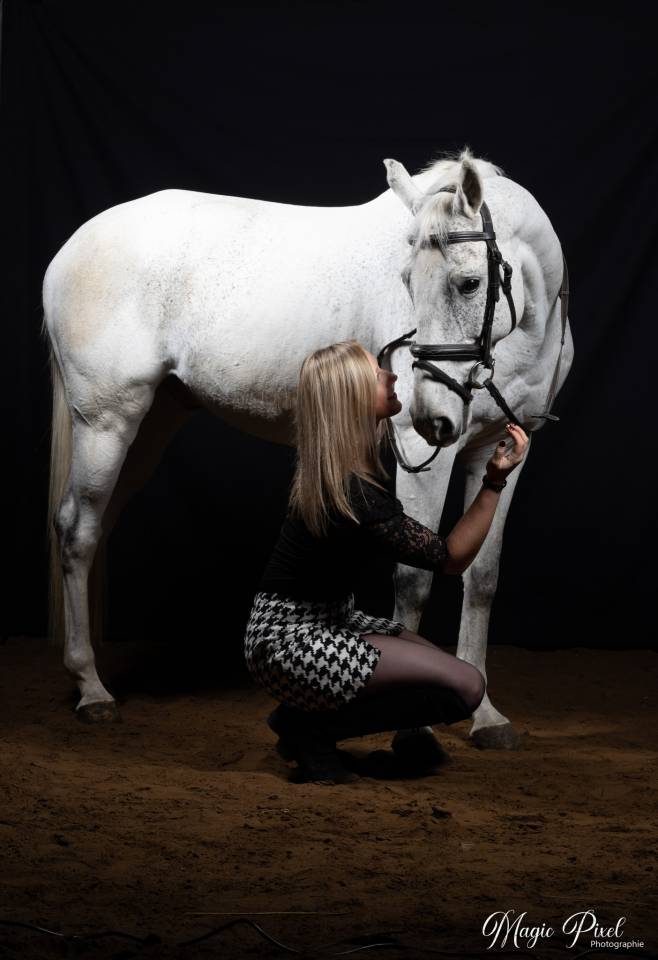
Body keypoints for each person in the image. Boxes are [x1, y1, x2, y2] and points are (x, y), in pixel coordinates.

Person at [244, 340, 529, 784]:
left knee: (440, 677)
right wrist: (493, 482)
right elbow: (451, 558)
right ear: (351, 397)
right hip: (290, 642)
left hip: (321, 622)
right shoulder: (354, 492)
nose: (391, 376)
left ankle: (298, 722)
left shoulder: (345, 473)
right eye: (377, 374)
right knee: (467, 686)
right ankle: (309, 731)